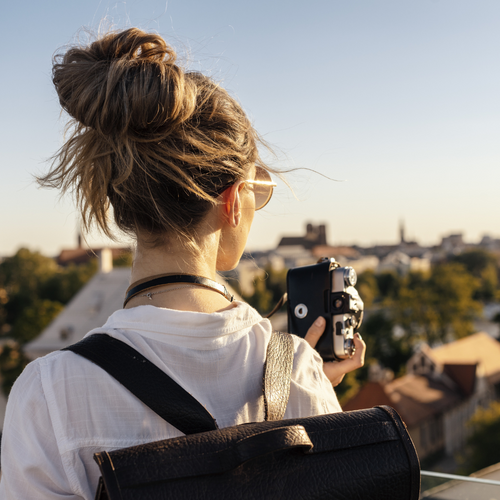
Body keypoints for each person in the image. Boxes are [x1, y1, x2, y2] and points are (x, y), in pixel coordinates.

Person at [0, 28, 365, 499]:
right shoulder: (294, 368)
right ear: (233, 201)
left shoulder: (49, 391)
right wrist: (306, 384)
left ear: (120, 202)